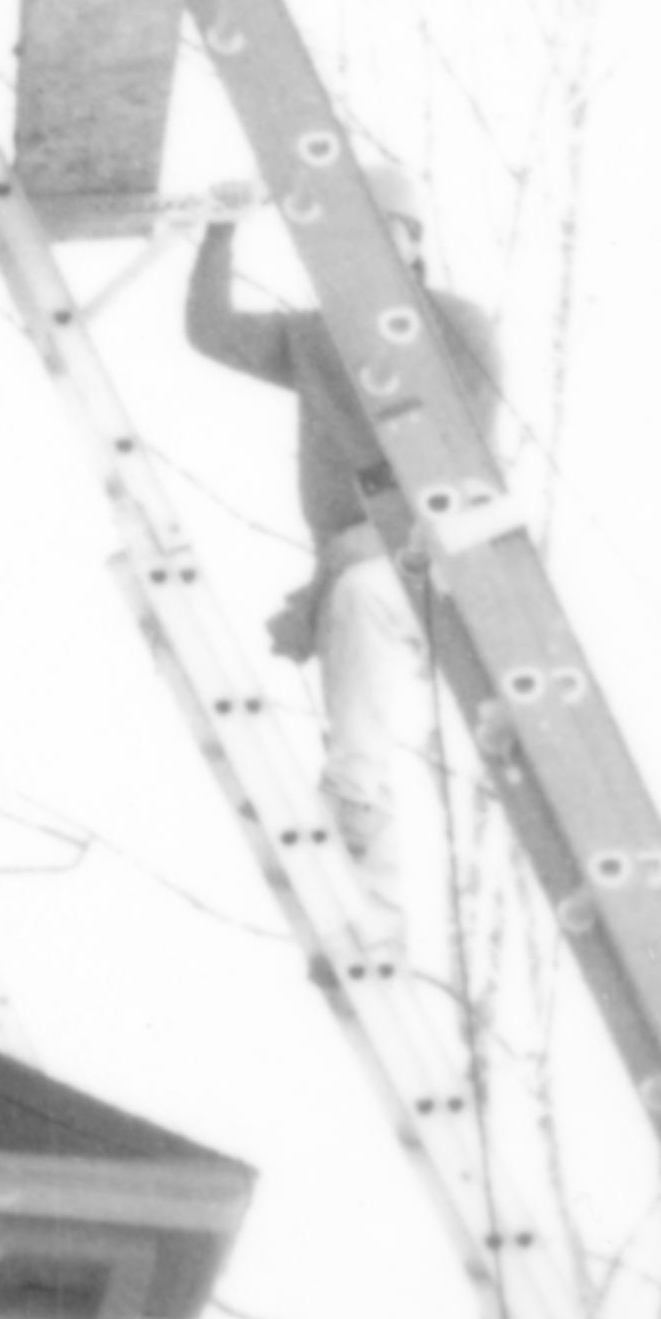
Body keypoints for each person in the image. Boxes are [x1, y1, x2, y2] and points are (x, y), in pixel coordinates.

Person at [184, 163, 501, 962]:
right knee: (356, 710)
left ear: (413, 245)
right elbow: (212, 330)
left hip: (440, 556)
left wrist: (366, 546)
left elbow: (459, 471)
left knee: (359, 599)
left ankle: (356, 807)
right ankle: (377, 917)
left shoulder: (457, 327)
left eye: (379, 234)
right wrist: (222, 228)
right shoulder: (318, 336)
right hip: (363, 568)